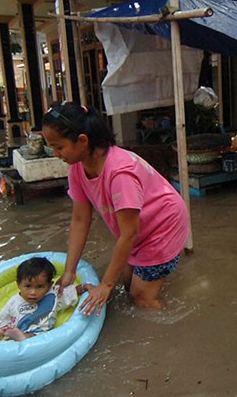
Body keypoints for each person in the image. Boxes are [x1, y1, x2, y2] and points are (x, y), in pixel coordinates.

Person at [41, 102, 189, 314]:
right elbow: (80, 220)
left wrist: (105, 286)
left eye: (59, 147)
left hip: (164, 226)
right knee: (127, 286)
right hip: (139, 227)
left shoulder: (120, 174)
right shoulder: (77, 168)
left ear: (82, 140)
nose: (56, 154)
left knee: (140, 298)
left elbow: (129, 234)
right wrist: (69, 271)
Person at [0, 257, 91, 342]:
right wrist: (2, 331)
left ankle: (21, 337)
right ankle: (9, 339)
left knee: (33, 336)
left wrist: (85, 287)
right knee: (2, 340)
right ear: (18, 284)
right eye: (28, 286)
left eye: (40, 287)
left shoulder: (52, 297)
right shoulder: (13, 302)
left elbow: (71, 293)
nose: (33, 292)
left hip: (41, 335)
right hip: (18, 332)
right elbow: (3, 319)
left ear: (49, 285)